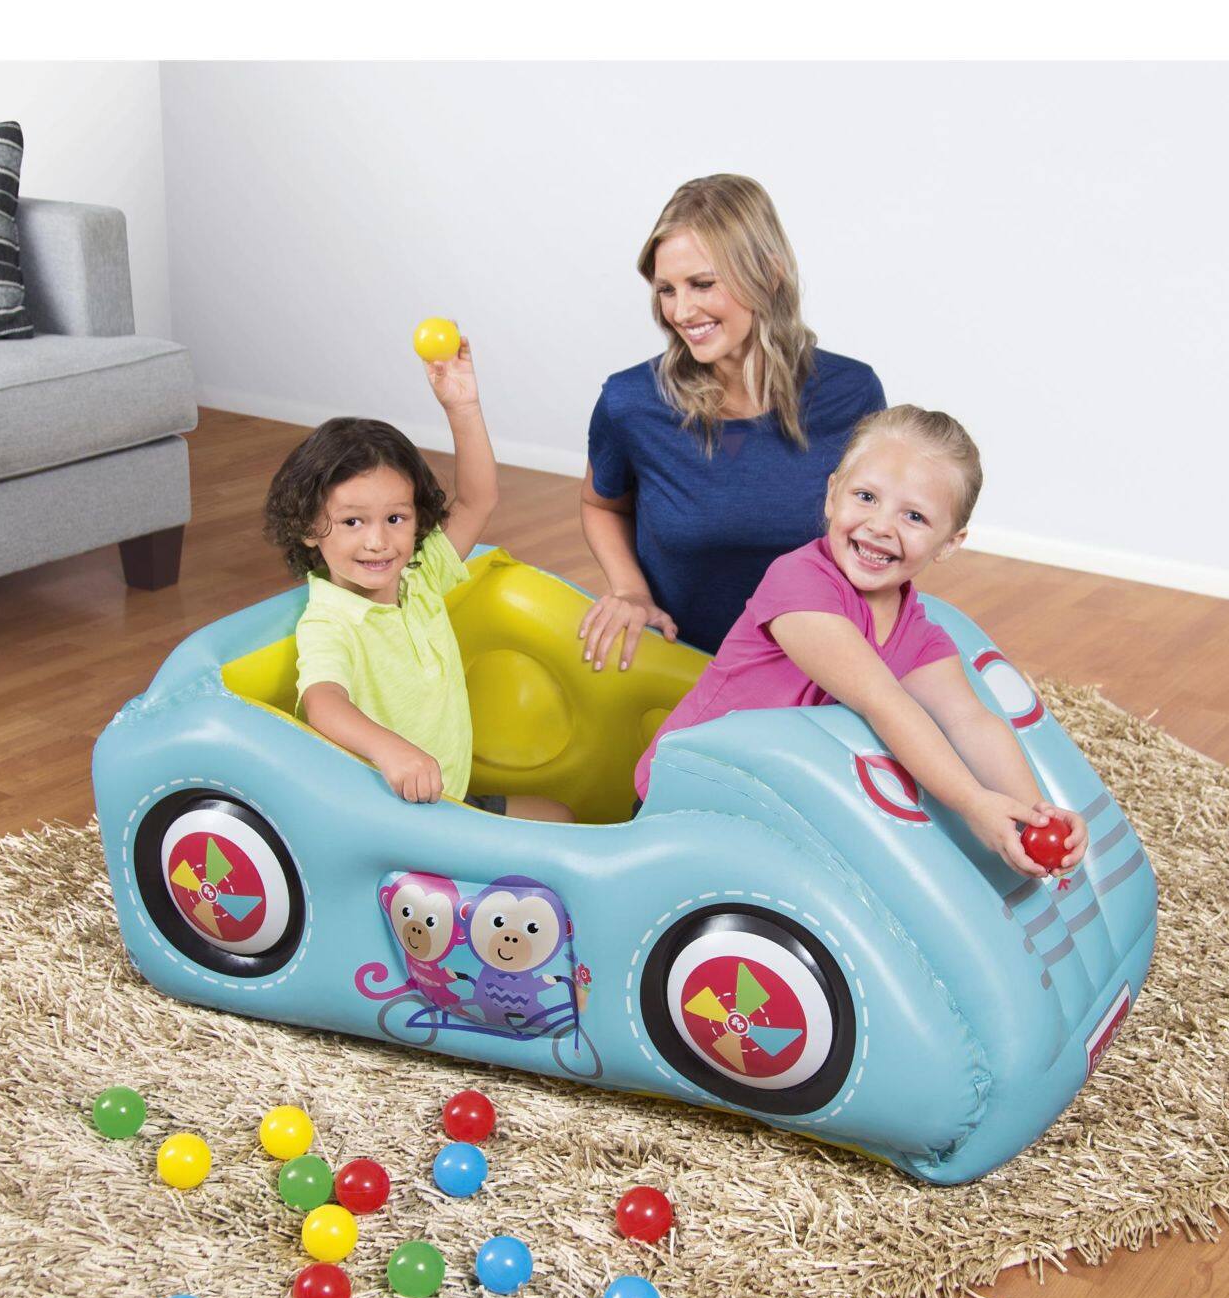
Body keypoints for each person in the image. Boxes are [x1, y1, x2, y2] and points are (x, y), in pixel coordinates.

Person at [633, 406, 1088, 878]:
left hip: (787, 817)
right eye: (866, 497)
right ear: (833, 495)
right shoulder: (798, 583)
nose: (881, 526)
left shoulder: (917, 630)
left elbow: (968, 720)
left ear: (950, 543)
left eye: (914, 516)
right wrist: (974, 803)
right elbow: (883, 702)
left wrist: (1033, 813)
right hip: (692, 799)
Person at [578, 173, 886, 670]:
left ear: (769, 273)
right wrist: (631, 591)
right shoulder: (630, 402)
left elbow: (880, 528)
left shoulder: (853, 393)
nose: (681, 311)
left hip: (821, 666)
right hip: (685, 665)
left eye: (702, 284)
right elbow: (601, 505)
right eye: (666, 290)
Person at [263, 342, 569, 821]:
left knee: (558, 816)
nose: (378, 542)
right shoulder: (330, 620)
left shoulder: (420, 576)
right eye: (352, 522)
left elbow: (478, 501)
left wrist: (463, 407)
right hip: (392, 816)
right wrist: (391, 751)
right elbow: (323, 701)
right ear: (307, 527)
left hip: (447, 799)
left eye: (395, 518)